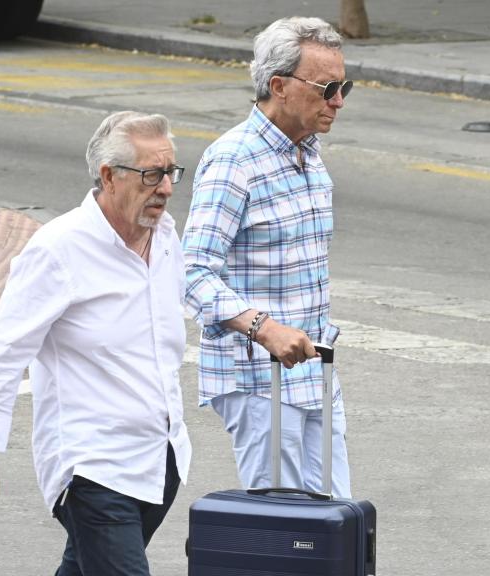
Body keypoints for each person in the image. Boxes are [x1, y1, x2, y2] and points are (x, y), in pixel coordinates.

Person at [0, 111, 192, 576]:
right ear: (109, 176)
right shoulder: (58, 249)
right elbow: (3, 354)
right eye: (151, 174)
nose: (164, 187)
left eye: (169, 173)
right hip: (93, 469)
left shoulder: (165, 237)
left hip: (160, 459)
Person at [182, 16, 353, 498]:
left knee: (337, 524)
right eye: (327, 87)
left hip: (315, 374)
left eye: (345, 86)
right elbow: (193, 273)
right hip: (262, 381)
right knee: (287, 536)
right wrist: (265, 328)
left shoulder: (309, 153)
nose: (338, 100)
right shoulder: (235, 160)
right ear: (279, 86)